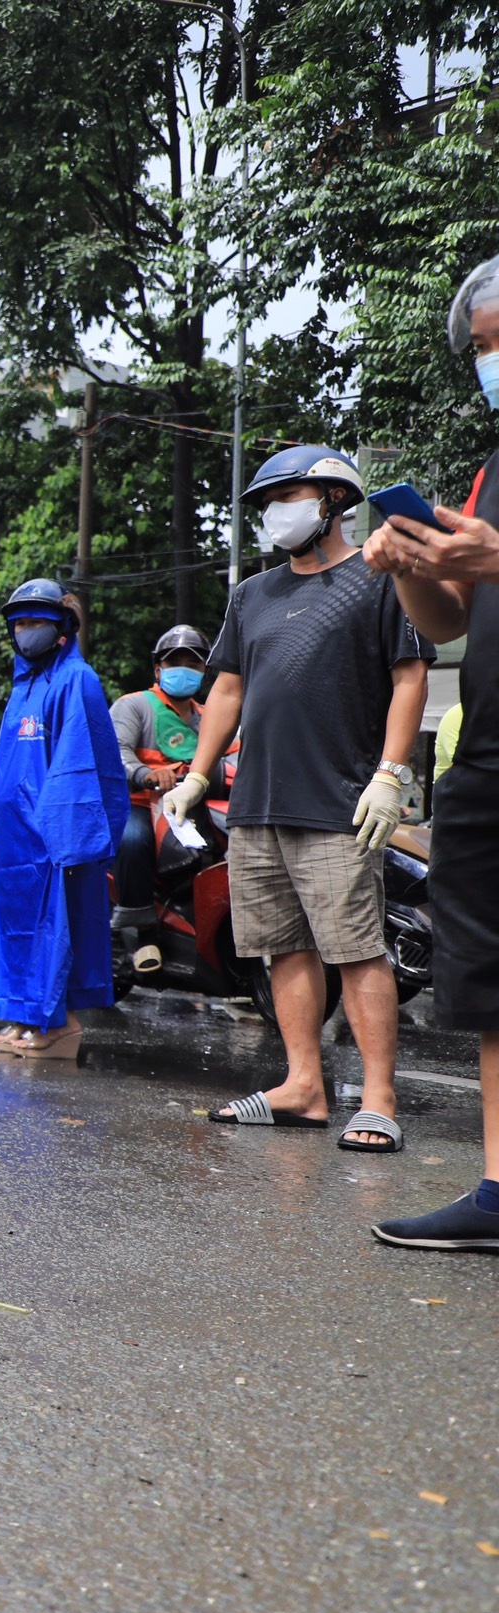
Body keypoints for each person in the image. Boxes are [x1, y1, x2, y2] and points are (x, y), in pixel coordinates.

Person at [165, 445, 431, 1149]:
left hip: (340, 798)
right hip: (257, 802)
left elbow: (410, 677)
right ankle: (303, 1086)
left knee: (357, 949)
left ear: (336, 501)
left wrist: (390, 774)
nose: (277, 511)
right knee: (281, 948)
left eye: (293, 494)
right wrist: (197, 774)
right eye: (268, 501)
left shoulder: (375, 580)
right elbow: (228, 688)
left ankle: (377, 1099)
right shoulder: (253, 595)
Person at [364, 254, 499, 1244]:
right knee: (491, 973)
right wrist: (409, 565)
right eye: (482, 348)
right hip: (489, 745)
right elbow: (448, 618)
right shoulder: (492, 467)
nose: (488, 361)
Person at [0, 579, 122, 1056]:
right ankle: (25, 1013)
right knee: (14, 930)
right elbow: (0, 761)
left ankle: (61, 1025)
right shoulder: (23, 686)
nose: (25, 631)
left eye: (36, 622)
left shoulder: (77, 679)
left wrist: (64, 834)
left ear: (62, 628)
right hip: (13, 840)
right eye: (19, 624)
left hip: (50, 839)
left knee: (61, 927)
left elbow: (81, 760)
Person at [107, 624, 209, 911]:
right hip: (139, 802)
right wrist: (145, 774)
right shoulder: (134, 705)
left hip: (192, 803)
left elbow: (235, 755)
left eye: (193, 664)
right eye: (174, 663)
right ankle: (139, 928)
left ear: (204, 671)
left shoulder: (210, 717)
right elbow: (116, 751)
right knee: (134, 840)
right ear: (157, 669)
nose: (183, 670)